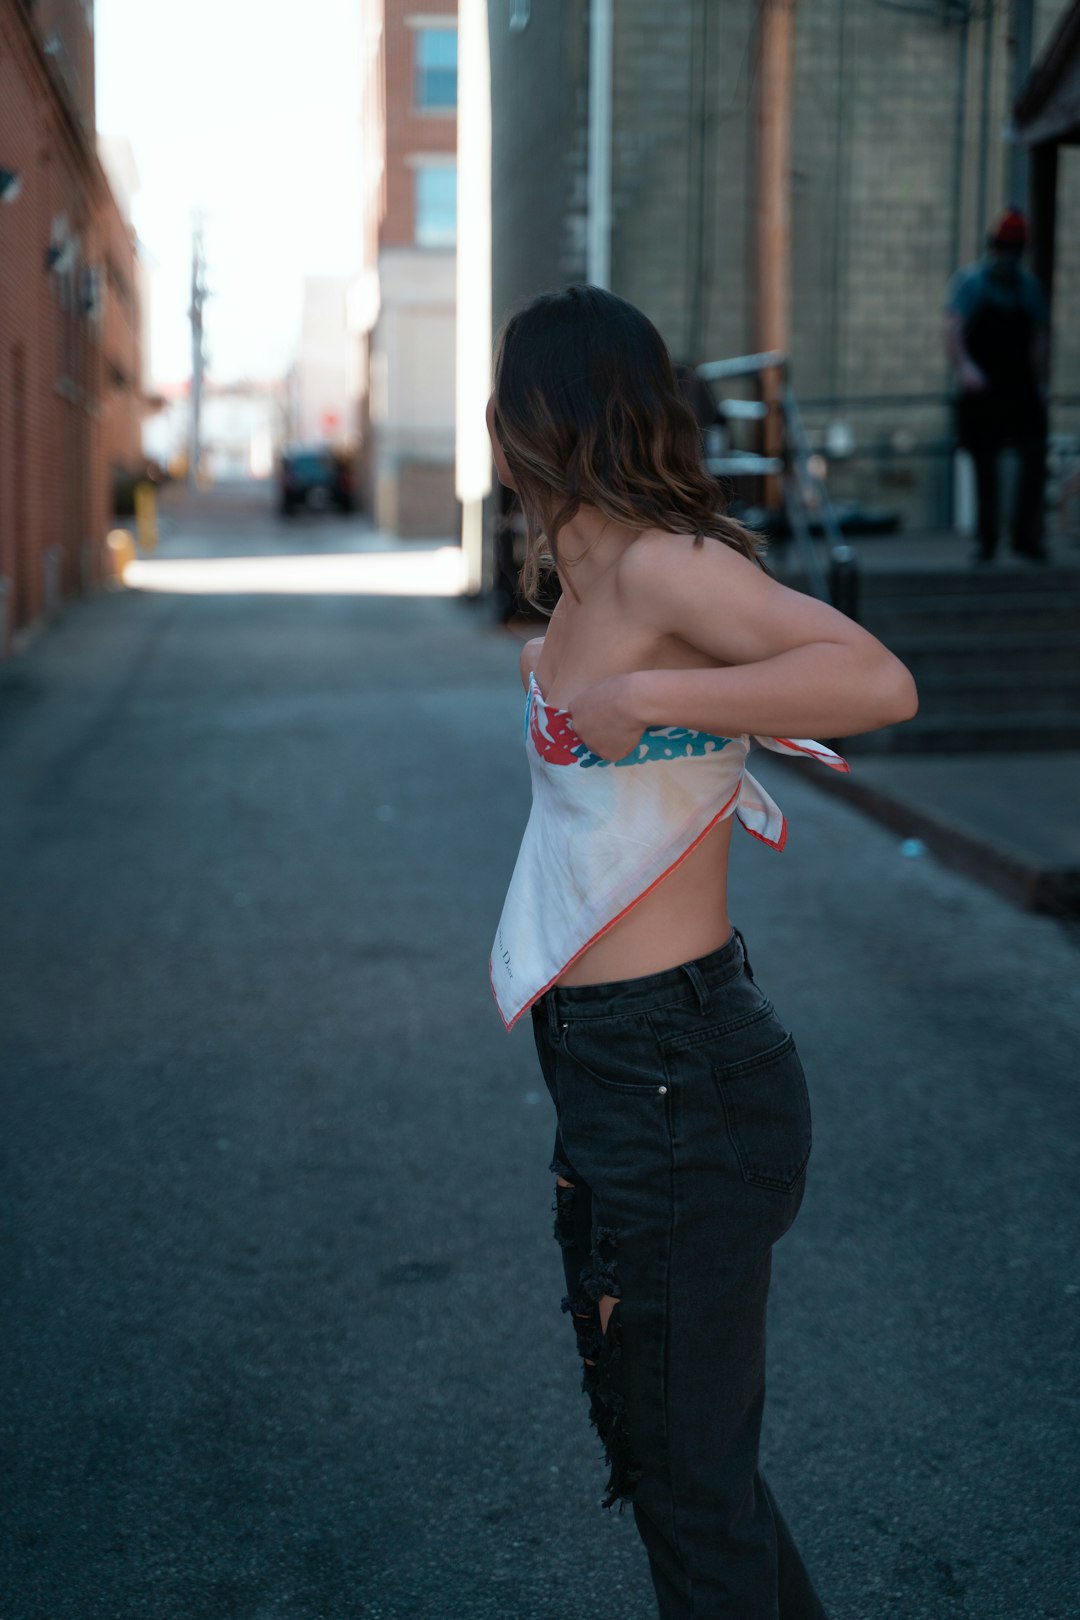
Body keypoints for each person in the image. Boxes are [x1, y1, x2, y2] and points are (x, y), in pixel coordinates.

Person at [486, 284, 918, 1620]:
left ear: (533, 418)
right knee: (679, 1475)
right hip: (619, 1076)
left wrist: (657, 694)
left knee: (690, 1492)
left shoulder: (666, 566)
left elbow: (874, 681)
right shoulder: (577, 585)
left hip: (682, 1076)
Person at [944, 209, 1051, 564]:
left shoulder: (1027, 288)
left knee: (1033, 459)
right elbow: (953, 328)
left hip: (1018, 386)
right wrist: (967, 369)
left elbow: (1038, 338)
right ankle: (988, 540)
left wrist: (1039, 383)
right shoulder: (972, 283)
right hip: (983, 390)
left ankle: (1026, 537)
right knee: (985, 467)